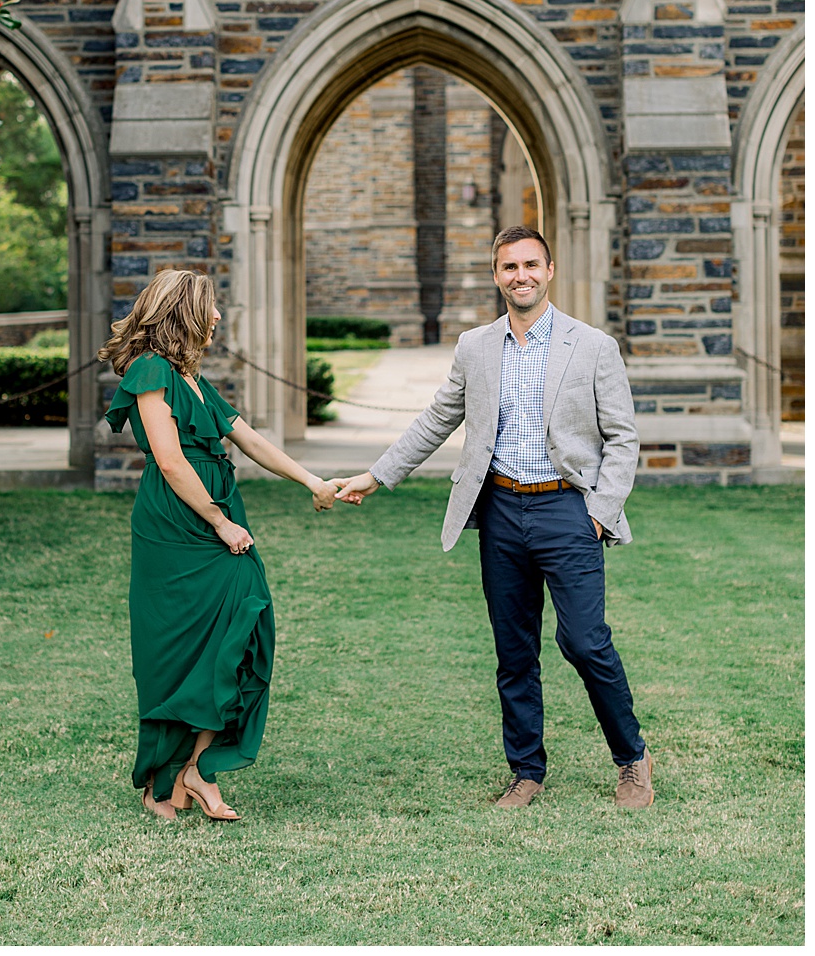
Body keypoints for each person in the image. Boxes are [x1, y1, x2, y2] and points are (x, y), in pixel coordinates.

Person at [336, 226, 653, 808]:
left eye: (531, 264)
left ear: (549, 270)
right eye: (509, 267)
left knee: (584, 642)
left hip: (569, 508)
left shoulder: (592, 346)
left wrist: (600, 514)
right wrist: (377, 475)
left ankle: (632, 758)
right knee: (514, 650)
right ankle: (526, 771)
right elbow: (436, 419)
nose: (521, 276)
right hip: (502, 510)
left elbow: (623, 438)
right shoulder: (475, 347)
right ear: (496, 275)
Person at [101, 267, 341, 822]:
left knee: (243, 629)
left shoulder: (194, 382)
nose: (215, 316)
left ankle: (195, 768)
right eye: (208, 307)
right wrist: (218, 521)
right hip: (178, 526)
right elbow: (168, 459)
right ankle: (164, 782)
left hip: (214, 518)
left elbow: (250, 438)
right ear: (182, 311)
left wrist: (313, 482)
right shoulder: (151, 371)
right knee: (180, 650)